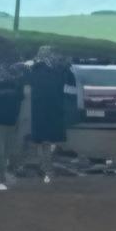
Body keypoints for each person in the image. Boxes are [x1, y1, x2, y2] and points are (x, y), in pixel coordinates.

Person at [25, 47, 72, 183]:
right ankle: (46, 168)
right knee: (45, 141)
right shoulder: (43, 68)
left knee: (44, 141)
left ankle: (45, 167)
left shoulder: (38, 67)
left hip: (44, 109)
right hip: (47, 109)